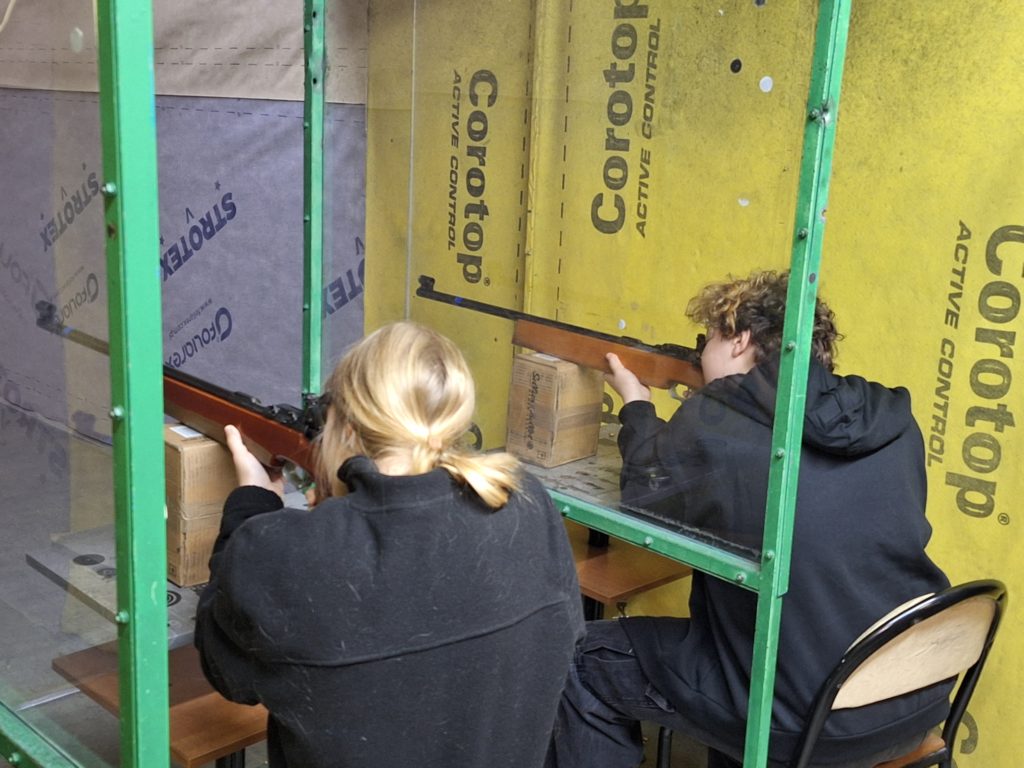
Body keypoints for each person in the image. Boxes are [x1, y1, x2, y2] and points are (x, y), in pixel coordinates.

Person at [545, 270, 951, 768]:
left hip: (805, 719)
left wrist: (637, 407)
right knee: (739, 638)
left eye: (707, 341)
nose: (700, 356)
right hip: (914, 696)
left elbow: (643, 490)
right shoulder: (890, 416)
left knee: (580, 660)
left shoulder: (716, 420)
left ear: (739, 340)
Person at [195, 321, 584, 768]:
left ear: (345, 428)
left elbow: (226, 669)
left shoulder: (282, 552)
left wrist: (251, 504)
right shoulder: (529, 504)